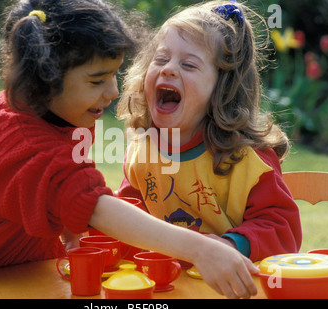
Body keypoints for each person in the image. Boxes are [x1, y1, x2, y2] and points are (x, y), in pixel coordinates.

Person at [0, 0, 259, 299]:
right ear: (46, 78)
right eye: (96, 80)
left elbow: (58, 200)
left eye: (114, 75)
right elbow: (93, 205)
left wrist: (73, 237)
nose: (113, 92)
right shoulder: (26, 144)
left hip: (19, 277)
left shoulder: (58, 116)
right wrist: (201, 248)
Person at [116, 0, 302, 263]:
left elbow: (283, 229)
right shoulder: (142, 150)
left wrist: (230, 244)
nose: (168, 68)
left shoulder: (249, 159)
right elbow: (126, 220)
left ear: (221, 90)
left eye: (189, 65)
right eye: (161, 59)